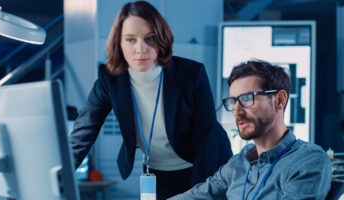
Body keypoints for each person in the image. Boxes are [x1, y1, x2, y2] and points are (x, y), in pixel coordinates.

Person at [69, 1, 233, 199]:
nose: (141, 49)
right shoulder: (109, 79)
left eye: (150, 38)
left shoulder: (191, 74)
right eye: (130, 40)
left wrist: (198, 193)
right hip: (158, 171)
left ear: (162, 40)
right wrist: (59, 176)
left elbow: (206, 140)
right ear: (118, 43)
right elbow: (84, 131)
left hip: (207, 165)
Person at [168, 59, 332, 200]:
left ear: (279, 100)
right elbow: (197, 195)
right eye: (233, 101)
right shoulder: (239, 162)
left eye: (247, 99)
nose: (237, 111)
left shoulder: (308, 160)